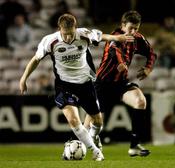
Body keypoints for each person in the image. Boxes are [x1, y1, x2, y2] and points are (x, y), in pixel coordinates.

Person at [19, 13, 132, 161]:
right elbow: (36, 59)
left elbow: (101, 36)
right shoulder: (50, 41)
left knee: (97, 122)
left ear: (75, 28)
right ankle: (96, 151)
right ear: (59, 29)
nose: (67, 38)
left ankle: (94, 138)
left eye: (71, 34)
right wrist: (23, 79)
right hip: (64, 85)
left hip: (85, 84)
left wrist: (117, 38)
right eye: (65, 35)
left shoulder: (83, 34)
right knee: (73, 120)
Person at [84, 10, 157, 157]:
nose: (133, 31)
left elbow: (151, 53)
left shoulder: (138, 38)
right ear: (123, 25)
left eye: (136, 28)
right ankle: (78, 146)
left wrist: (148, 68)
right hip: (102, 84)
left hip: (121, 84)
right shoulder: (115, 35)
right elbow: (113, 50)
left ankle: (134, 146)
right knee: (91, 126)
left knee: (140, 101)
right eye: (130, 28)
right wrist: (122, 62)